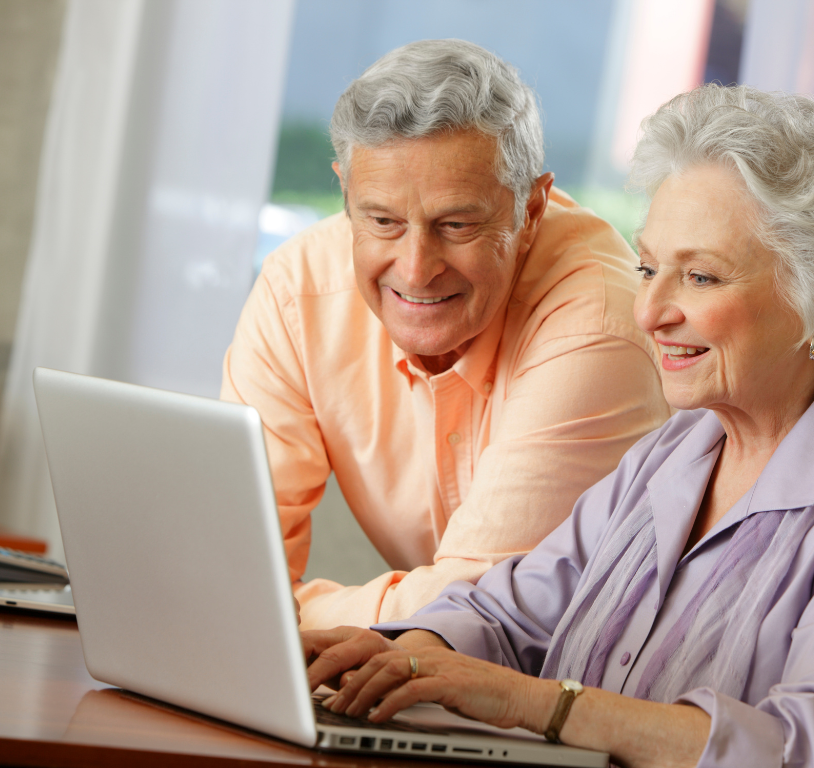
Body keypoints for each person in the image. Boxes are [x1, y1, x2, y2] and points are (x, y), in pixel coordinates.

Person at [302, 85, 814, 767]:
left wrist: (534, 703)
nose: (650, 312)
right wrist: (405, 649)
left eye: (700, 278)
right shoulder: (677, 451)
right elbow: (510, 616)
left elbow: (813, 754)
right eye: (647, 268)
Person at [220, 39, 669, 630]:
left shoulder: (598, 323)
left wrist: (280, 620)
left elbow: (480, 608)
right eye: (381, 220)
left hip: (591, 687)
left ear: (530, 209)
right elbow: (231, 569)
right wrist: (248, 611)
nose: (414, 268)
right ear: (345, 192)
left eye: (456, 225)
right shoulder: (296, 290)